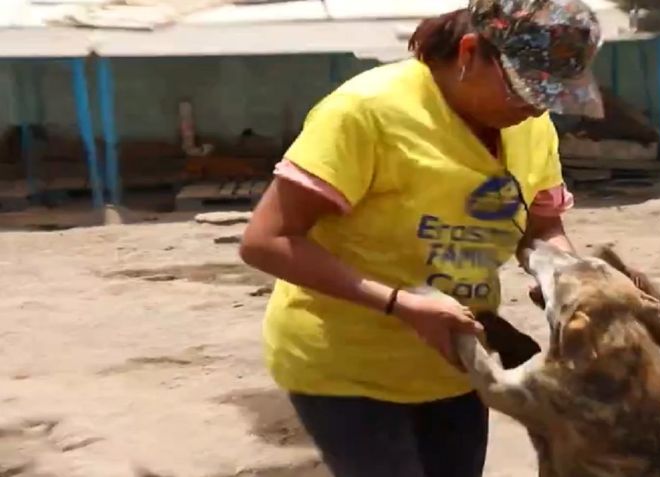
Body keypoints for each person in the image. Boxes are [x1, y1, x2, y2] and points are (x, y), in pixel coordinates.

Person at [239, 1, 604, 476]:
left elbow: (541, 228)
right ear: (470, 53)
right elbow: (266, 240)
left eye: (548, 97)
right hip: (348, 366)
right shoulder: (366, 113)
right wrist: (400, 304)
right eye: (524, 90)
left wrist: (569, 281)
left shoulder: (530, 126)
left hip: (456, 362)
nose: (535, 107)